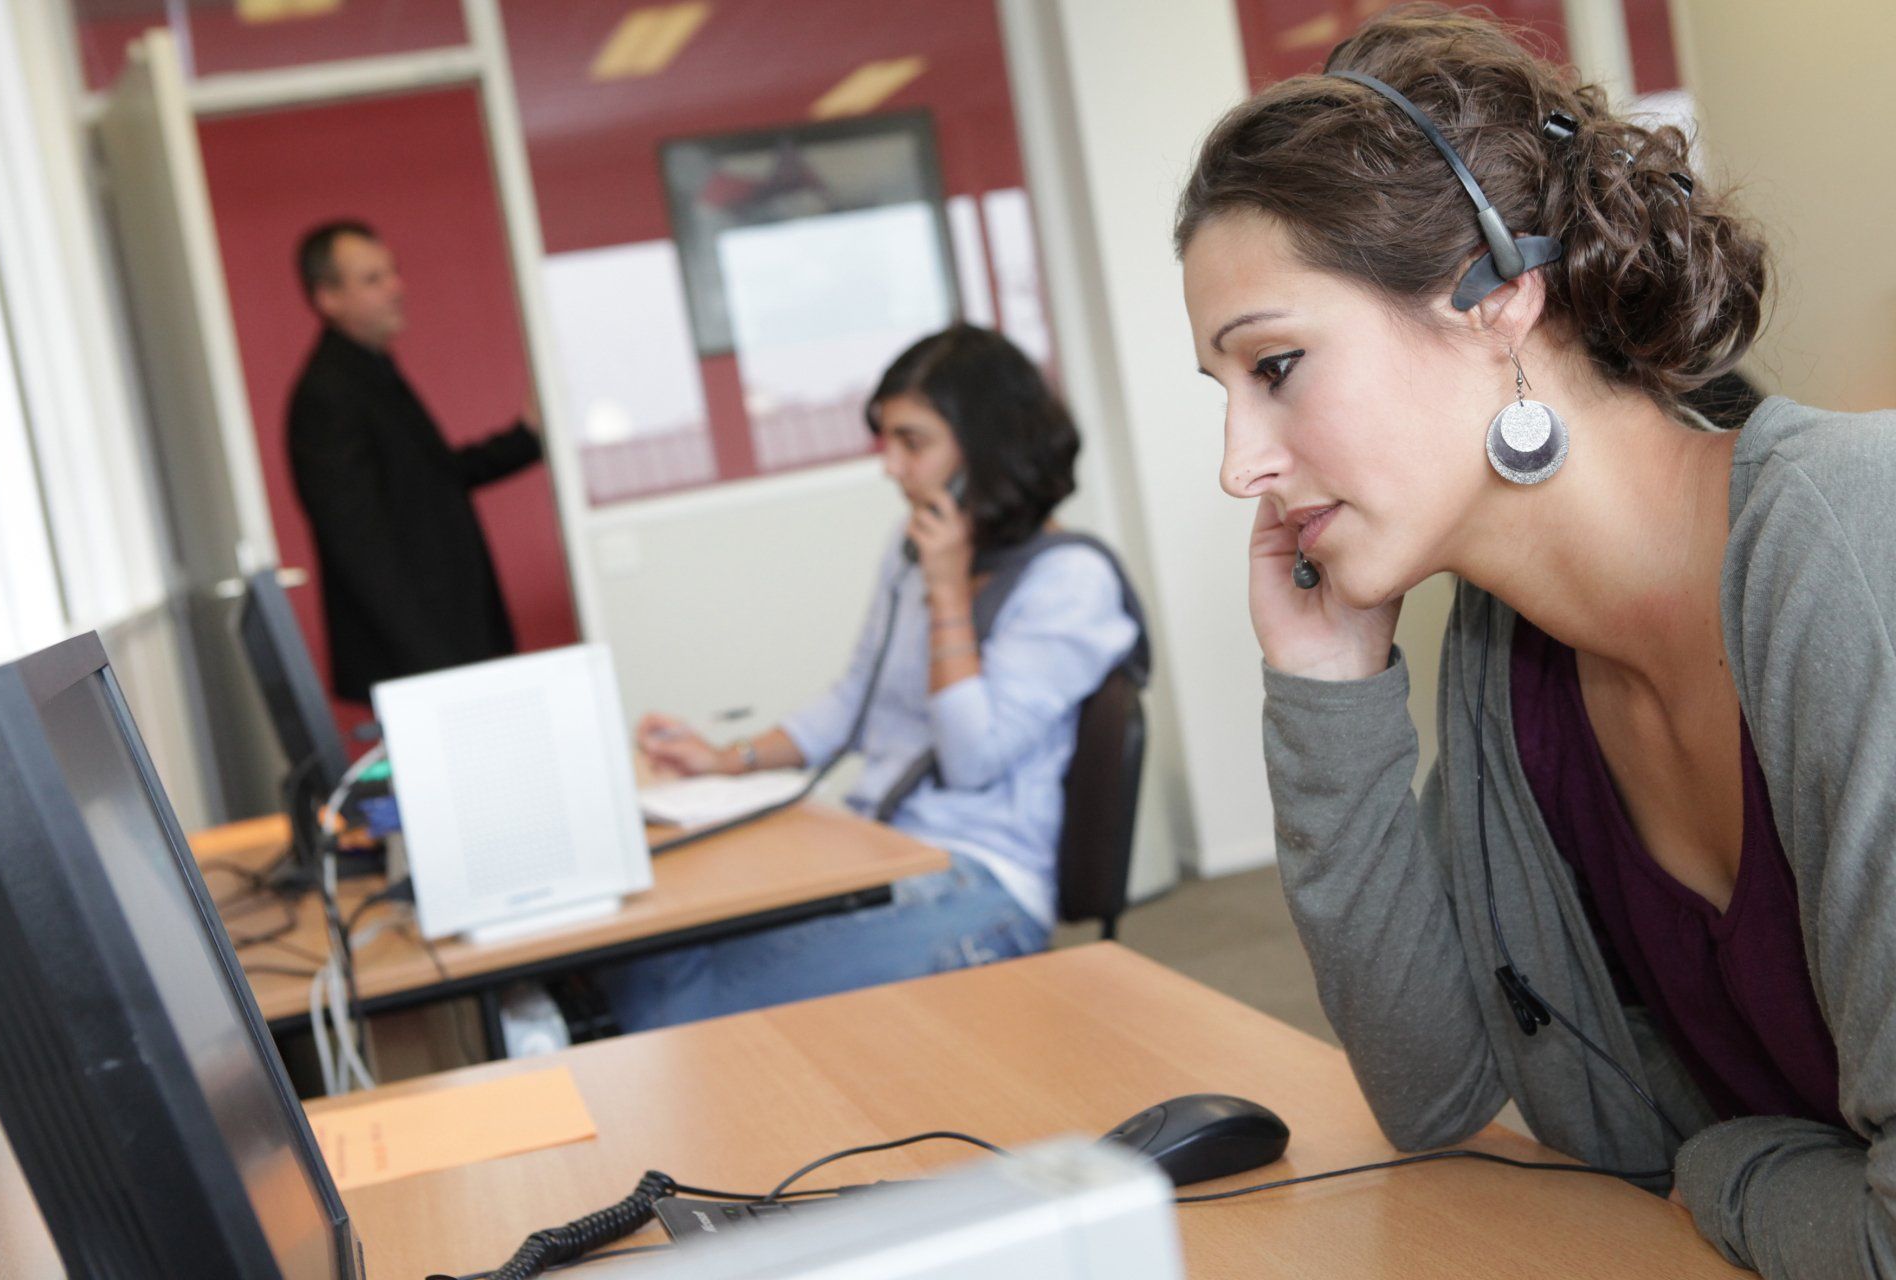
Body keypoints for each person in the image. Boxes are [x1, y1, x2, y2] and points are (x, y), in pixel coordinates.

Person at [1177, 9, 1894, 1278]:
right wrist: (1326, 684)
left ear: (1500, 300)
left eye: (1276, 366)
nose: (1244, 465)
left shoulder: (1848, 555)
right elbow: (1438, 1094)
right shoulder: (1514, 666)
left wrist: (1723, 1164)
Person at [600, 324, 1144, 1031]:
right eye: (887, 442)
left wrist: (949, 596)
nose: (891, 466)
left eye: (912, 443)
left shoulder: (1069, 580)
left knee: (685, 1004)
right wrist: (725, 759)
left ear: (985, 446)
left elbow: (972, 759)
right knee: (647, 956)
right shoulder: (910, 546)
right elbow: (854, 700)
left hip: (981, 884)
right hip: (881, 851)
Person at [286, 220, 543, 703]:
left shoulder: (370, 372)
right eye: (372, 279)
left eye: (392, 273)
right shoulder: (330, 392)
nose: (396, 288)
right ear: (328, 298)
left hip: (443, 648)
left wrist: (527, 437)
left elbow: (435, 478)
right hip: (426, 661)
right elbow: (360, 547)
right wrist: (435, 668)